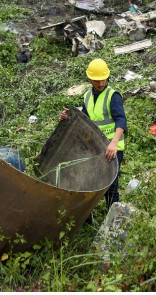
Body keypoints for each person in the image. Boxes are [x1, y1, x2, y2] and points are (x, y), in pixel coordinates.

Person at [60, 59, 125, 208]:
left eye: (103, 79)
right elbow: (84, 119)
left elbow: (121, 120)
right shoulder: (87, 96)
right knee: (90, 182)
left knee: (111, 186)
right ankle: (88, 218)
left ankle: (113, 218)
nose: (101, 83)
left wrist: (113, 144)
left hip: (112, 148)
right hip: (95, 147)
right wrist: (68, 117)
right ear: (89, 79)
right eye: (97, 80)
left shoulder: (113, 96)